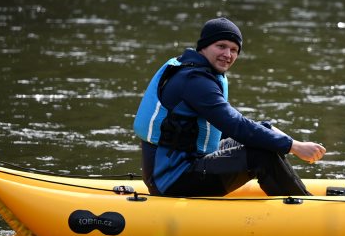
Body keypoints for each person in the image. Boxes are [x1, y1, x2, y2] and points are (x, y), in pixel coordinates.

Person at [134, 17, 326, 197]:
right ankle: (304, 209)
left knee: (263, 140)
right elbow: (235, 125)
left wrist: (273, 132)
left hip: (183, 164)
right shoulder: (194, 81)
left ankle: (299, 198)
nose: (227, 55)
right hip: (172, 179)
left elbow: (232, 126)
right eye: (221, 46)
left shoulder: (197, 71)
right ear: (204, 47)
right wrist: (294, 146)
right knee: (261, 155)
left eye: (234, 50)